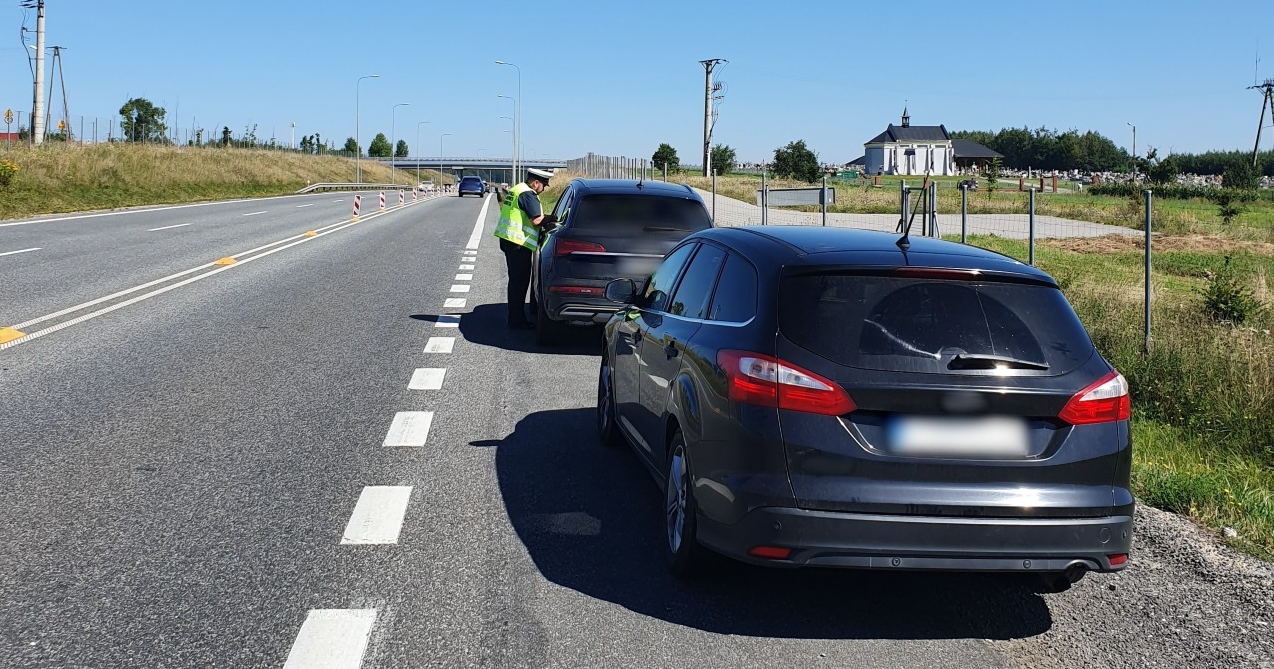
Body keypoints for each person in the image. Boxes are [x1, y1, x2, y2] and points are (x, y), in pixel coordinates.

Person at [494, 168, 556, 329]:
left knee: (516, 282)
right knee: (519, 283)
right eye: (544, 185)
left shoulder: (517, 189)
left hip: (510, 240)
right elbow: (536, 220)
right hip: (518, 244)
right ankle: (516, 320)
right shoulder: (528, 194)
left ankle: (515, 318)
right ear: (536, 183)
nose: (543, 189)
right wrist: (553, 219)